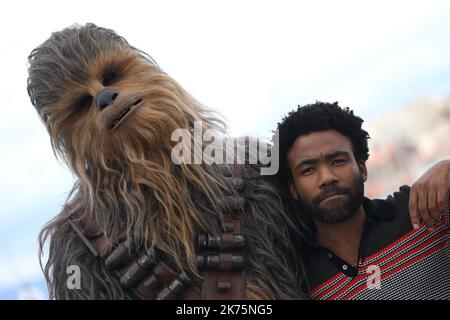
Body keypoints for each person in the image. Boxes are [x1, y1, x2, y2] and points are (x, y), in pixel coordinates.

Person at [276, 101, 450, 299]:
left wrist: (447, 168)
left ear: (363, 169)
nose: (326, 177)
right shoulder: (296, 279)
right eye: (308, 170)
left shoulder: (423, 208)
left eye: (338, 161)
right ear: (293, 189)